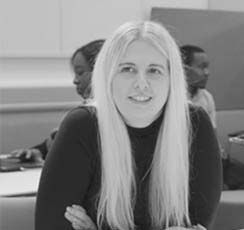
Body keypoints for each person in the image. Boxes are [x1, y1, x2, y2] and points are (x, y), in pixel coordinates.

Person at [35, 21, 222, 230]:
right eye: (128, 69)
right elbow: (50, 225)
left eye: (154, 70)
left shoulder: (195, 124)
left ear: (172, 79)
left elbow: (199, 224)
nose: (141, 84)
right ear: (108, 76)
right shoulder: (82, 125)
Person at [8, 39, 105, 162]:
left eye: (80, 73)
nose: (75, 80)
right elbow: (52, 144)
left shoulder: (97, 117)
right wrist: (36, 152)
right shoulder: (82, 113)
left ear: (99, 72)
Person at [180, 45, 244, 190]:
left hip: (211, 160)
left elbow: (212, 134)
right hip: (186, 163)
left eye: (208, 67)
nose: (207, 73)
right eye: (201, 67)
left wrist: (219, 152)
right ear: (184, 70)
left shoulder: (206, 97)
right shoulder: (173, 100)